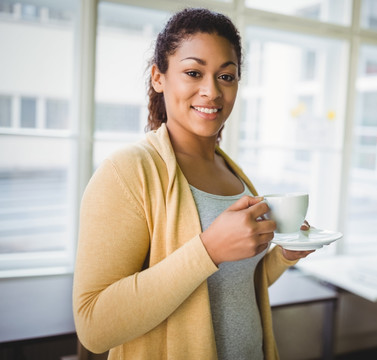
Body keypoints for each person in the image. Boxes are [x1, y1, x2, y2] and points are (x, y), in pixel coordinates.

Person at [72, 7, 315, 360]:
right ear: (159, 77)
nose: (212, 92)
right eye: (193, 72)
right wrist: (209, 249)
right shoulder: (126, 172)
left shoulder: (233, 172)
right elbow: (94, 327)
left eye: (226, 77)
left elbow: (234, 289)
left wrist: (283, 257)